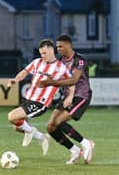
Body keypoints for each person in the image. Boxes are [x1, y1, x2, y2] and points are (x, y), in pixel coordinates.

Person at [7, 39, 74, 156]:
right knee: (17, 127)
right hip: (27, 100)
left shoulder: (61, 67)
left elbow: (72, 82)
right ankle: (42, 137)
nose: (42, 56)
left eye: (44, 53)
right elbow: (24, 72)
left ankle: (32, 132)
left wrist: (70, 97)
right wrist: (15, 80)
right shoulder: (37, 62)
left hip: (40, 103)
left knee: (12, 116)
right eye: (41, 53)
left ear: (51, 50)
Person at [37, 35, 94, 164]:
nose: (59, 49)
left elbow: (74, 79)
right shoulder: (60, 62)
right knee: (50, 126)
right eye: (57, 46)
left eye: (61, 46)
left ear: (69, 45)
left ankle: (86, 143)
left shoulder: (80, 60)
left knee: (59, 122)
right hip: (66, 97)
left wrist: (51, 82)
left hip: (81, 96)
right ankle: (74, 150)